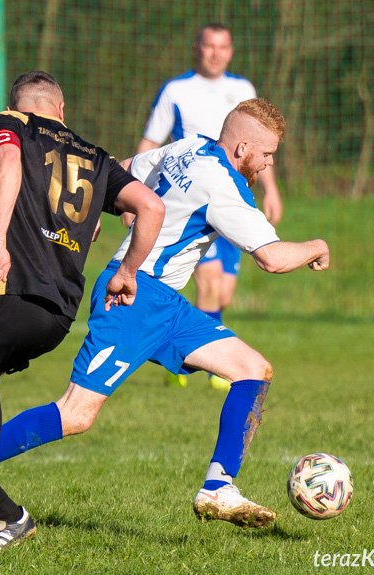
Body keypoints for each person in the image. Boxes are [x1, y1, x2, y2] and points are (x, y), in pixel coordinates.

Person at [0, 99, 330, 530]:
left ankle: (218, 487)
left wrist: (104, 212)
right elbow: (272, 258)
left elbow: (121, 166)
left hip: (165, 305)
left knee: (252, 370)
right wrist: (318, 246)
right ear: (243, 147)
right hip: (133, 296)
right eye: (267, 155)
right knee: (76, 414)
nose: (266, 166)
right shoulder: (224, 185)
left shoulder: (189, 148)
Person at [0, 71, 165, 550]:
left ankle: (7, 515)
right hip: (57, 315)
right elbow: (150, 207)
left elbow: (7, 160)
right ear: (62, 110)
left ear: (18, 106)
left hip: (9, 294)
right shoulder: (96, 157)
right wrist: (128, 271)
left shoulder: (10, 124)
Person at [135, 22, 284, 390]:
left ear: (231, 51)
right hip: (192, 203)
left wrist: (271, 190)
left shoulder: (242, 89)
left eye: (223, 47)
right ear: (196, 48)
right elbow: (149, 143)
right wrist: (132, 195)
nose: (216, 53)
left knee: (224, 292)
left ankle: (188, 355)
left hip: (233, 201)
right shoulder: (177, 90)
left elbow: (259, 146)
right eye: (209, 46)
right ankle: (208, 365)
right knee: (210, 282)